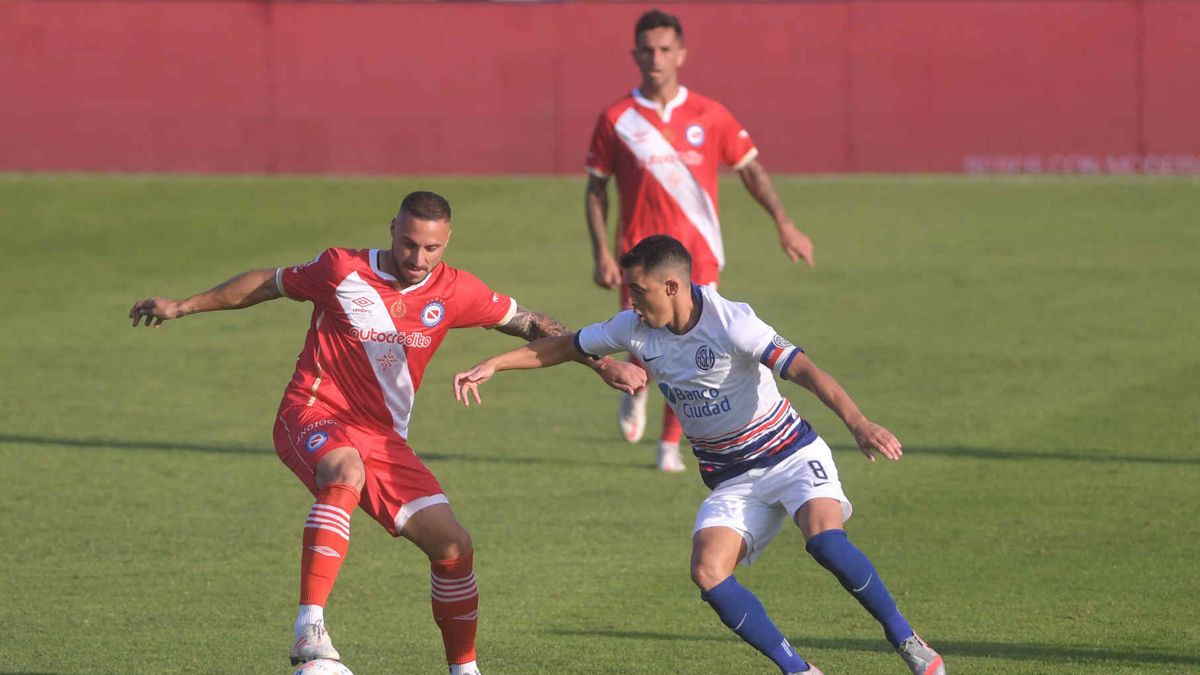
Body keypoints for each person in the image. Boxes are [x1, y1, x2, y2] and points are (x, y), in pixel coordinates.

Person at [128, 191, 645, 675]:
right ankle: (309, 629)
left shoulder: (456, 290)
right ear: (392, 228)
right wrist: (182, 306)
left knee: (452, 546)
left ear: (447, 242)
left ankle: (464, 670)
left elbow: (533, 324)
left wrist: (601, 366)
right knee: (344, 471)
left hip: (383, 439)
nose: (418, 258)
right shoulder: (340, 268)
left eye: (432, 248)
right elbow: (268, 283)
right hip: (313, 412)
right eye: (408, 244)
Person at [452, 235, 945, 675]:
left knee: (825, 542)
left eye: (639, 291)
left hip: (791, 454)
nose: (632, 302)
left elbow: (806, 370)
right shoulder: (634, 328)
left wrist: (859, 424)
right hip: (732, 479)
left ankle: (906, 639)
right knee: (708, 572)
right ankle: (797, 670)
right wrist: (494, 364)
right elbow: (561, 347)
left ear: (671, 286)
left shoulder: (734, 322)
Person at [585, 8, 816, 474]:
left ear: (681, 54)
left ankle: (670, 445)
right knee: (644, 337)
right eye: (647, 50)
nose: (656, 58)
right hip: (637, 256)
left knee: (692, 350)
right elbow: (596, 187)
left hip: (699, 257)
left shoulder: (710, 114)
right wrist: (602, 253)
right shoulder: (617, 118)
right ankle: (637, 384)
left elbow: (750, 167)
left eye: (665, 49)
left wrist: (783, 222)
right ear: (635, 54)